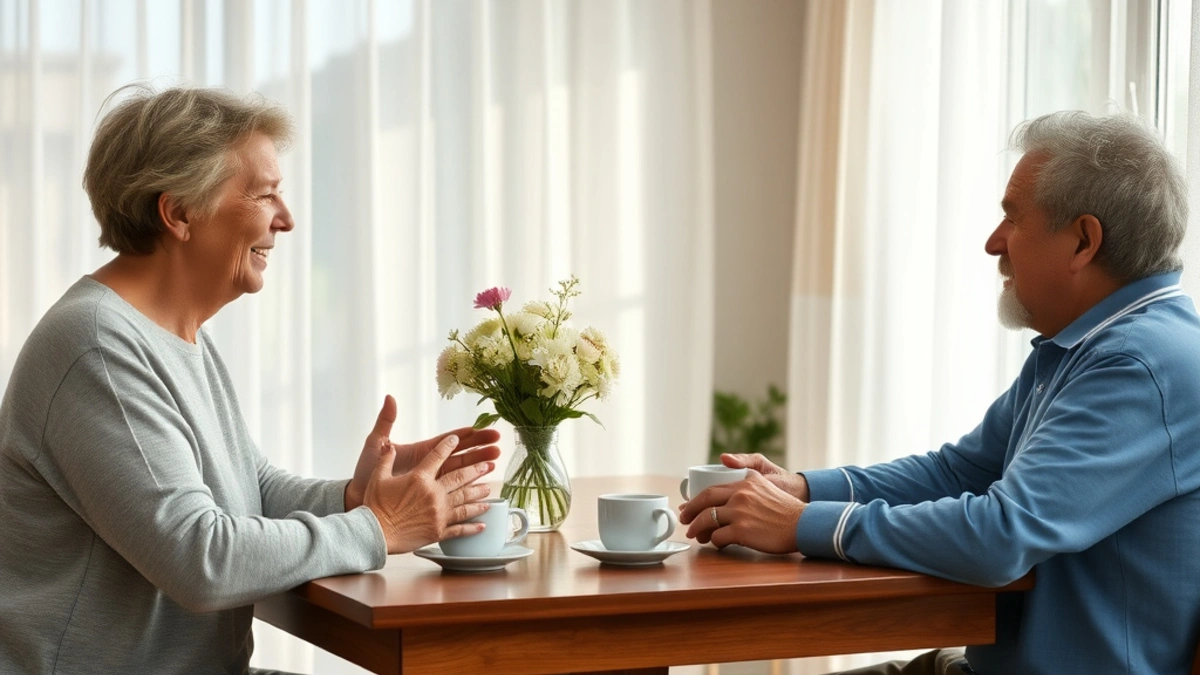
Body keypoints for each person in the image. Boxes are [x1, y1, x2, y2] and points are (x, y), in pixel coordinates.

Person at [0, 84, 502, 674]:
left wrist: (355, 495)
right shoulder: (97, 348)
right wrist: (376, 527)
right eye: (265, 196)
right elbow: (201, 559)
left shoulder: (175, 336)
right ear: (180, 212)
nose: (285, 221)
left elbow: (250, 491)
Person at [680, 111, 1200, 675]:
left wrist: (801, 525)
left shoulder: (1138, 367)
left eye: (1012, 218)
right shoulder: (1086, 347)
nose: (992, 243)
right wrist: (801, 489)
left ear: (1083, 241)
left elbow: (1001, 536)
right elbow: (960, 473)